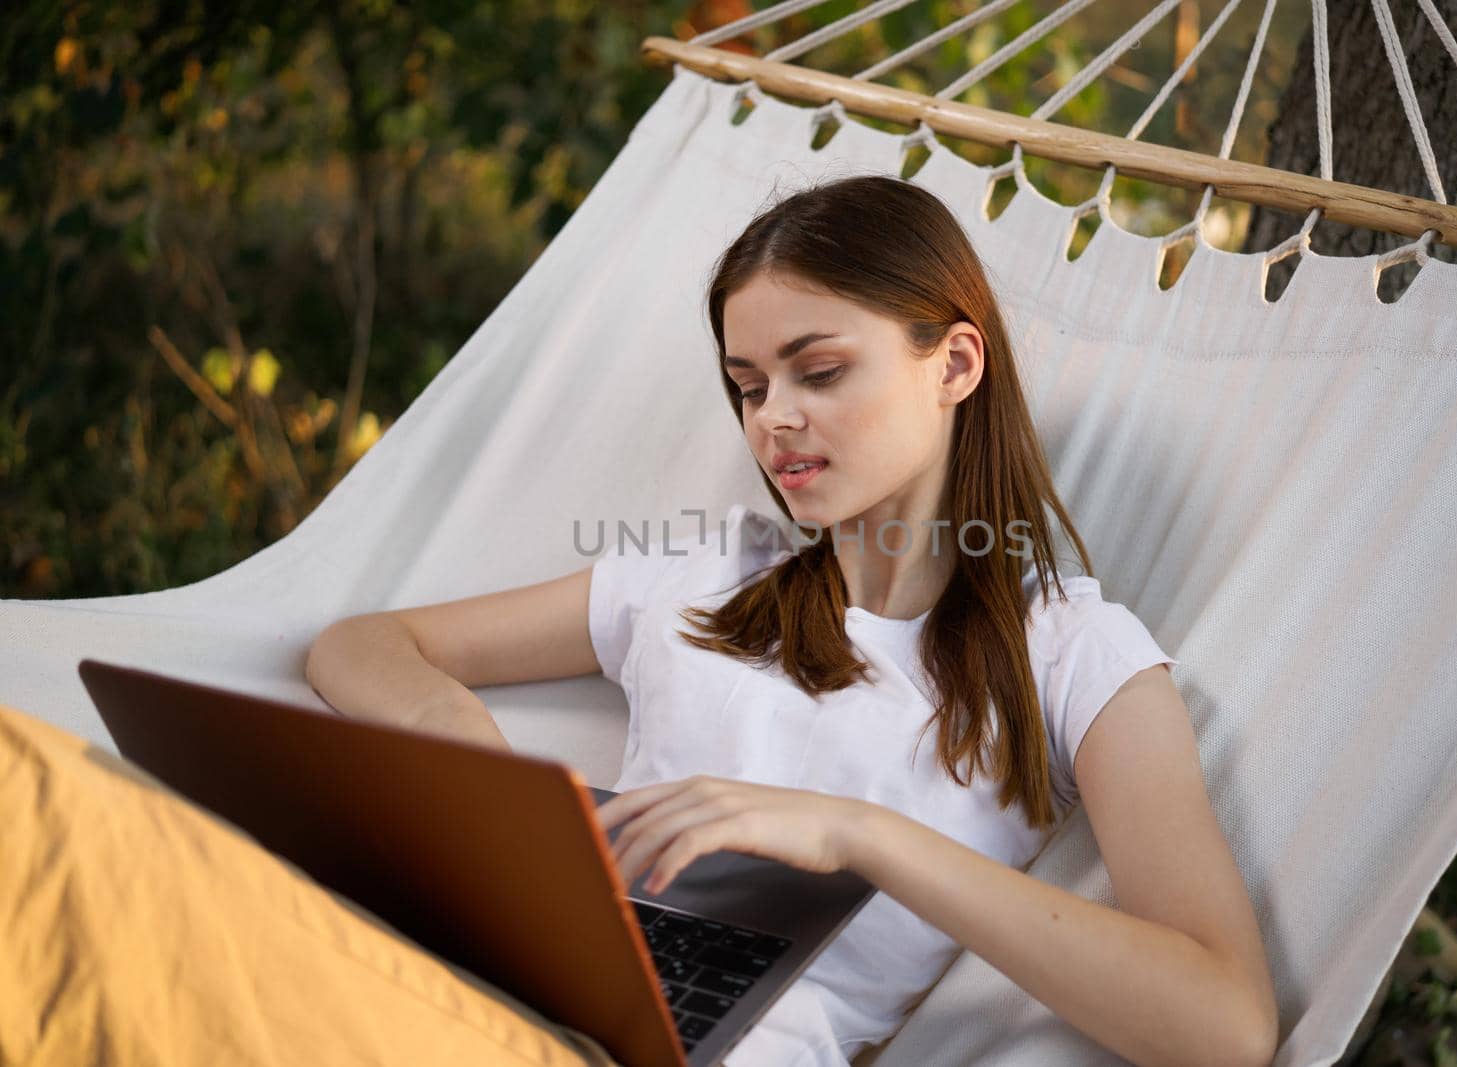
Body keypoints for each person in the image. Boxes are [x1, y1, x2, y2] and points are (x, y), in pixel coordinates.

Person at [306, 174, 1279, 1067]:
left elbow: (1222, 1022)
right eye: (749, 384)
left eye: (817, 371)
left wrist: (859, 835)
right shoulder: (705, 576)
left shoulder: (1075, 655)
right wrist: (483, 768)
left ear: (954, 364)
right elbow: (363, 644)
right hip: (502, 972)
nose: (772, 418)